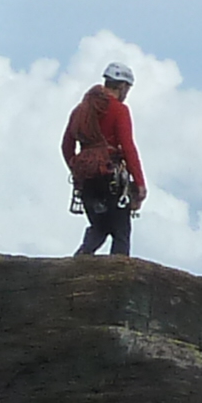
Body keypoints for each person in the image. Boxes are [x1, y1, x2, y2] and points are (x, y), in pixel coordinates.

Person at [62, 61, 145, 257]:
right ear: (123, 86)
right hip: (110, 178)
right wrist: (139, 183)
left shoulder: (80, 110)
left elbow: (66, 146)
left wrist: (78, 171)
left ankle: (80, 260)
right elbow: (127, 147)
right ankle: (119, 278)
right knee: (121, 231)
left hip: (87, 180)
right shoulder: (119, 110)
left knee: (99, 226)